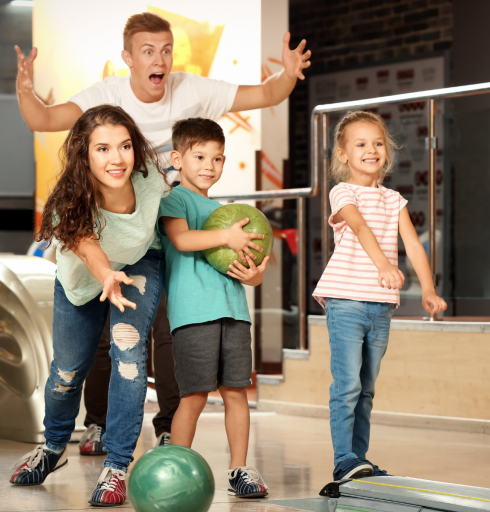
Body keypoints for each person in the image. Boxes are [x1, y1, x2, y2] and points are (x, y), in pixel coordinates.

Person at [14, 11, 312, 451]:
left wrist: (287, 76)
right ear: (128, 58)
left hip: (166, 224)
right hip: (116, 227)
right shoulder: (106, 96)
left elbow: (266, 93)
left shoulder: (192, 90)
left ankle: (168, 424)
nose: (160, 59)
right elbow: (42, 119)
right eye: (148, 51)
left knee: (166, 331)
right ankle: (96, 423)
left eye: (166, 50)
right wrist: (24, 90)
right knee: (101, 335)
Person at [9, 105, 169, 507]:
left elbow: (177, 220)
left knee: (129, 356)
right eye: (102, 149)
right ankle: (53, 446)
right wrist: (105, 275)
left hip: (138, 266)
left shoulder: (151, 181)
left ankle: (116, 465)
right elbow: (86, 245)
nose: (117, 159)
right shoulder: (68, 200)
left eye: (125, 146)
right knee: (66, 371)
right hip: (82, 282)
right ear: (84, 155)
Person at [312, 111, 448, 481]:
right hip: (346, 302)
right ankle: (344, 459)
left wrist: (429, 290)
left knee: (366, 390)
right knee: (347, 385)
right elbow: (357, 226)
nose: (371, 150)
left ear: (386, 151)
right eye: (360, 144)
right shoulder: (343, 192)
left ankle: (359, 458)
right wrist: (384, 266)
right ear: (343, 155)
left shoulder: (394, 200)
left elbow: (414, 247)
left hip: (381, 306)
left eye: (377, 143)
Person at [157, 118, 269, 498]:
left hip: (233, 312)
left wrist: (254, 276)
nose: (209, 166)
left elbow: (240, 270)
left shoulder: (224, 210)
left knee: (236, 392)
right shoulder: (175, 200)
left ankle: (239, 470)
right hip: (193, 316)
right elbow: (183, 239)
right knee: (195, 395)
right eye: (200, 156)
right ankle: (176, 467)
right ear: (177, 158)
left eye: (218, 158)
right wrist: (227, 236)